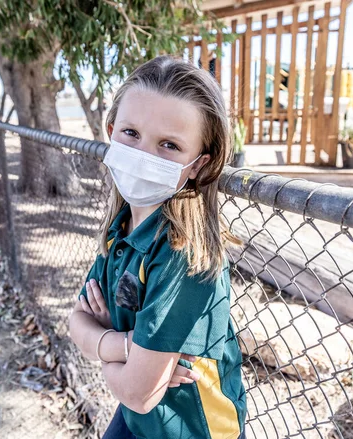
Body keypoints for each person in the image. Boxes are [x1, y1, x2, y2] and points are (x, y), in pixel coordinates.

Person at [69, 55, 248, 439]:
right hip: (138, 422)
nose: (143, 155)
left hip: (187, 431)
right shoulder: (121, 231)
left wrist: (100, 350)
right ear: (112, 131)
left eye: (168, 144)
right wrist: (125, 346)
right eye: (131, 134)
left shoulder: (184, 254)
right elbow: (76, 321)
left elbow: (139, 391)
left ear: (198, 165)